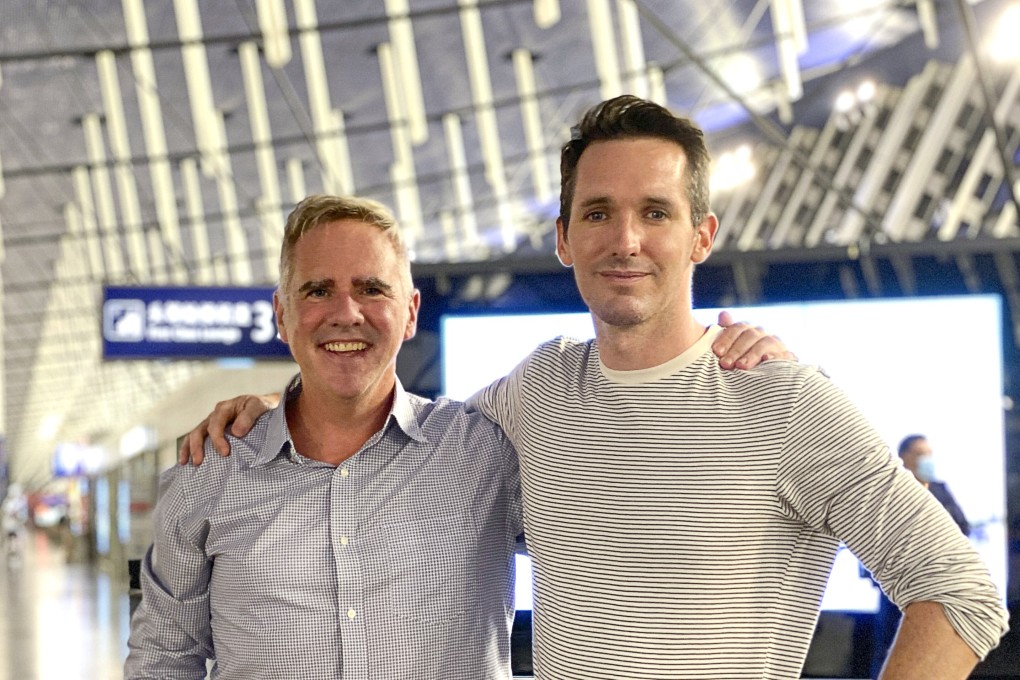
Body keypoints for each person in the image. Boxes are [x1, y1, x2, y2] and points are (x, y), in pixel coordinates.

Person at [184, 96, 1008, 679]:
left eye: (655, 212)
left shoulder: (785, 404)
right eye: (598, 213)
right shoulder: (536, 393)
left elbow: (961, 591)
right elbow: (395, 447)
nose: (625, 240)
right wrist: (286, 406)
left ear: (702, 236)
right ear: (563, 239)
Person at [128, 194, 786, 680]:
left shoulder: (485, 453)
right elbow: (164, 660)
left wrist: (731, 378)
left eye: (371, 289)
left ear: (410, 312)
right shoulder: (208, 474)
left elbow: (638, 506)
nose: (345, 312)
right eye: (318, 290)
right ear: (283, 314)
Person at [870, 434, 973, 678]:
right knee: (888, 649)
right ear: (904, 457)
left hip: (930, 587)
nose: (926, 459)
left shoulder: (939, 490)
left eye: (929, 453)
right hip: (894, 588)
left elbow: (962, 528)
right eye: (920, 453)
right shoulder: (889, 491)